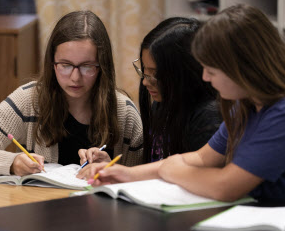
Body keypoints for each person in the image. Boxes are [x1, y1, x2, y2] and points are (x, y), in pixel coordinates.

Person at [85, 4, 285, 206]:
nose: (205, 77)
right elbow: (200, 158)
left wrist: (169, 170)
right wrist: (126, 174)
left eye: (212, 70)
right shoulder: (244, 106)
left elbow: (226, 186)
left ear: (242, 68)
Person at [0, 10, 143, 176]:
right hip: (39, 206)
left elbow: (145, 179)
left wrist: (112, 167)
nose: (75, 78)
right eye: (65, 65)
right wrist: (12, 163)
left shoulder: (124, 112)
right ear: (52, 63)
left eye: (87, 66)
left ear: (102, 67)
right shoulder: (29, 99)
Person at [77, 17, 221, 179]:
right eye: (144, 71)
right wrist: (113, 167)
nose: (145, 81)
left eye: (155, 74)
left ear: (185, 73)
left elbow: (195, 178)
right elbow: (156, 166)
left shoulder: (209, 117)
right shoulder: (162, 104)